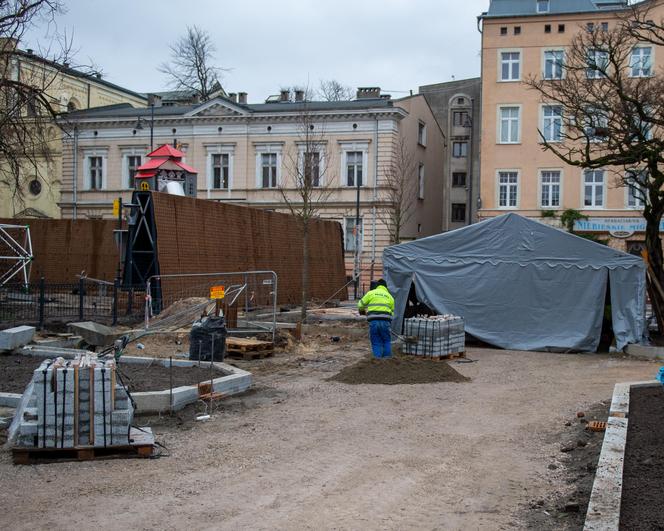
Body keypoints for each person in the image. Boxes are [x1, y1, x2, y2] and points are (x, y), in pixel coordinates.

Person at [357, 279, 395, 358]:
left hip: (373, 321)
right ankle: (387, 360)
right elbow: (392, 313)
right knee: (386, 341)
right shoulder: (390, 297)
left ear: (377, 286)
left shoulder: (371, 293)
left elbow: (360, 305)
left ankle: (377, 361)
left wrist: (362, 311)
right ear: (386, 287)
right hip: (385, 322)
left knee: (376, 341)